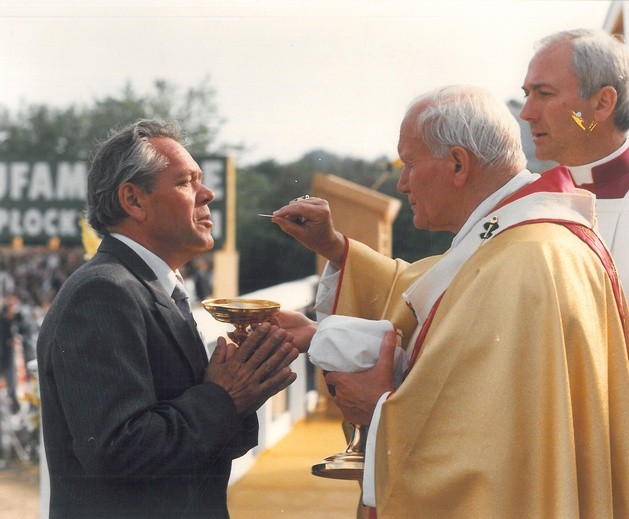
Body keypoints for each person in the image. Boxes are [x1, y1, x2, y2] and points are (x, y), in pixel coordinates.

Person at [272, 86, 629, 517]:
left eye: (409, 164)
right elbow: (431, 289)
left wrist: (381, 412)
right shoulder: (527, 238)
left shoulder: (522, 262)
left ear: (458, 164)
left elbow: (479, 449)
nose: (402, 183)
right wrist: (335, 250)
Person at [37, 120, 299, 519]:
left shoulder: (147, 287)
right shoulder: (103, 293)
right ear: (134, 200)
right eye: (186, 182)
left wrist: (242, 395)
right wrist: (224, 398)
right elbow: (116, 451)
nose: (207, 193)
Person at [521, 28, 629, 290]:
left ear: (602, 103)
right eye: (527, 94)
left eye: (544, 93)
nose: (526, 113)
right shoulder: (524, 201)